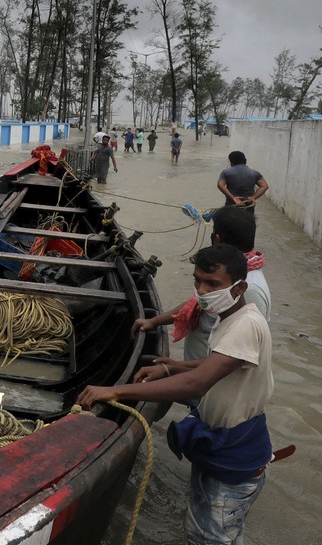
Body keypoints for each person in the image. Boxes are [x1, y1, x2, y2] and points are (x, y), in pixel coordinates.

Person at [79, 244, 273, 545]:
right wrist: (172, 367)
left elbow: (196, 384)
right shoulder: (230, 316)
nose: (201, 290)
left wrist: (115, 389)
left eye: (212, 284)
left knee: (210, 539)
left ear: (240, 288)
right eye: (197, 280)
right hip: (223, 446)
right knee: (214, 535)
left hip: (234, 456)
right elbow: (219, 362)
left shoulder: (246, 324)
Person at [132, 207, 271, 378]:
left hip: (210, 381)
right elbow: (199, 302)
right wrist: (154, 321)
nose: (201, 289)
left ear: (217, 238)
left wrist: (174, 369)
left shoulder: (248, 288)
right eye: (198, 281)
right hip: (196, 373)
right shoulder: (225, 278)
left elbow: (237, 356)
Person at [218, 150, 269, 215]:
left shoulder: (226, 172)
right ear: (245, 160)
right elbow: (264, 186)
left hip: (231, 206)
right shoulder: (255, 173)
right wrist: (253, 197)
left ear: (231, 162)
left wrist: (233, 198)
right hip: (248, 206)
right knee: (247, 222)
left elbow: (220, 185)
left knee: (229, 223)